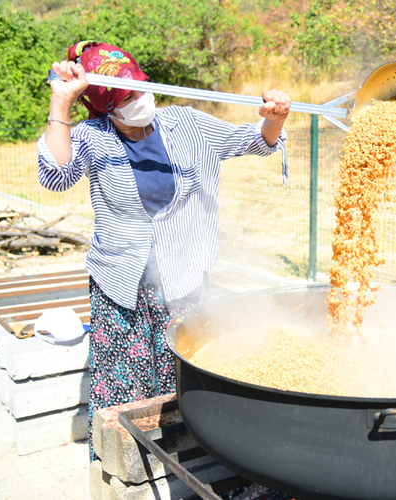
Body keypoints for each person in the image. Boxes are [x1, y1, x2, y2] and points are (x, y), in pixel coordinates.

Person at [37, 40, 291, 460]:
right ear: (106, 109)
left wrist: (275, 119)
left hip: (185, 277)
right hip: (122, 286)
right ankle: (122, 467)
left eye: (140, 88)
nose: (141, 100)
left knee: (187, 374)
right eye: (127, 98)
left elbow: (254, 140)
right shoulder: (91, 138)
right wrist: (61, 102)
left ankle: (190, 457)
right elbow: (56, 174)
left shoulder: (185, 124)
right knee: (125, 387)